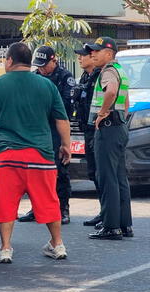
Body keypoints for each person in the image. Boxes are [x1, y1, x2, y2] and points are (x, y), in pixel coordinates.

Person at [0, 42, 71, 264]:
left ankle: (5, 248)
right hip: (41, 156)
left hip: (6, 156)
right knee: (49, 201)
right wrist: (66, 145)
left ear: (10, 60)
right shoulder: (46, 85)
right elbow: (61, 119)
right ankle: (58, 244)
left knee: (4, 203)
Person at [18, 46, 74, 225]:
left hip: (56, 128)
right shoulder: (34, 77)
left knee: (59, 170)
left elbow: (66, 108)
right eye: (39, 65)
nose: (41, 69)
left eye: (44, 65)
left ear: (54, 60)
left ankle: (63, 208)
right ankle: (36, 208)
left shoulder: (65, 77)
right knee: (34, 169)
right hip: (36, 129)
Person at [85, 37, 133, 240]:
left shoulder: (108, 71)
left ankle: (111, 227)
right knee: (120, 177)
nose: (93, 54)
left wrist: (103, 113)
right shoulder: (120, 70)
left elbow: (111, 91)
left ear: (109, 53)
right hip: (119, 126)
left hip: (108, 128)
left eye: (97, 50)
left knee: (107, 178)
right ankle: (124, 225)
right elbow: (127, 102)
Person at [73, 46, 103, 226]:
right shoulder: (85, 77)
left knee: (101, 173)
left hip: (98, 129)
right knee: (93, 172)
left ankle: (107, 213)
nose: (80, 59)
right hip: (86, 129)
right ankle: (104, 211)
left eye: (83, 56)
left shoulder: (100, 76)